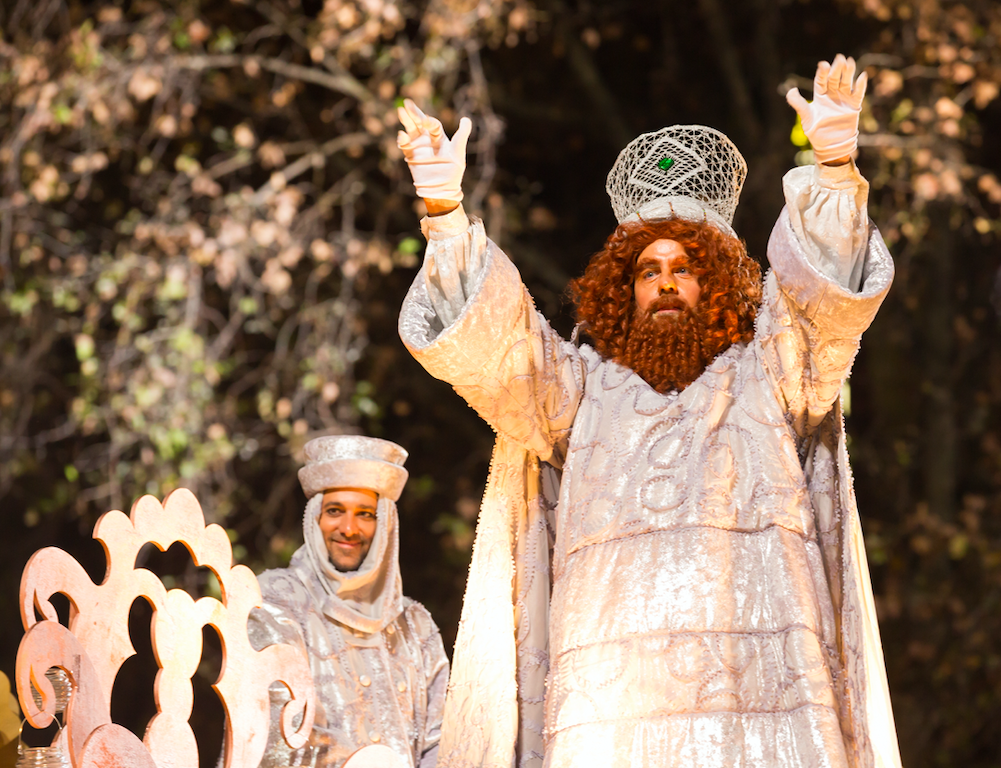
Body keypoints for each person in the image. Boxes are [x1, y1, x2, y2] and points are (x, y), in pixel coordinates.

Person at [395, 55, 902, 768]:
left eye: (683, 268)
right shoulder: (577, 393)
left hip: (758, 717)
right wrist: (447, 218)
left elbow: (825, 309)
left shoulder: (770, 372)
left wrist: (834, 169)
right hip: (609, 719)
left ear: (716, 279)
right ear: (618, 292)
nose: (664, 284)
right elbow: (495, 347)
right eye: (645, 271)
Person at [250, 435, 449, 768]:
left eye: (366, 514)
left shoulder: (416, 624)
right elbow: (280, 724)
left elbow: (443, 738)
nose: (349, 527)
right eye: (335, 511)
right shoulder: (277, 599)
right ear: (314, 518)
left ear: (385, 523)